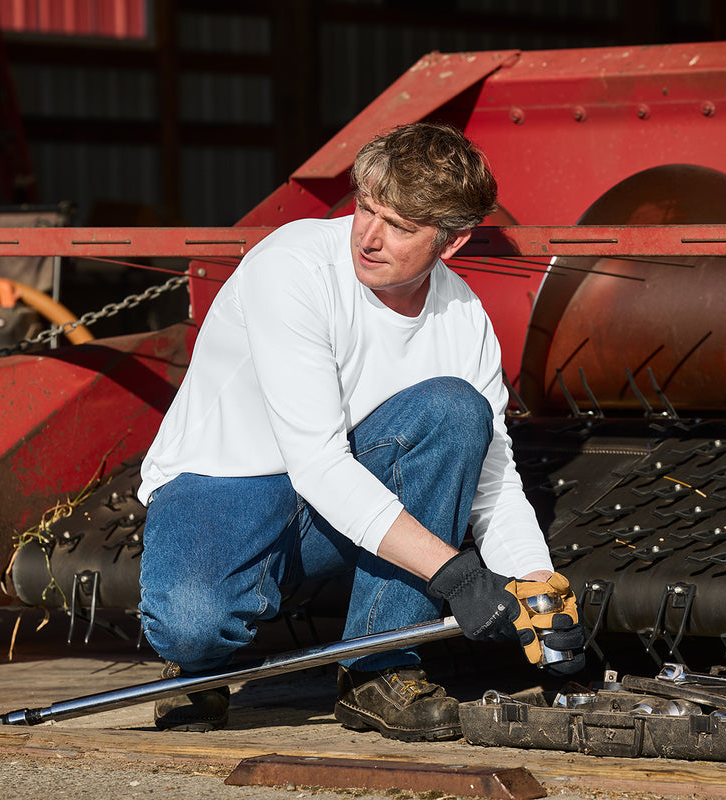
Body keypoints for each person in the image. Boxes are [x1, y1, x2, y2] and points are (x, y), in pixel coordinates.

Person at [137, 122, 585, 742]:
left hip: (342, 496)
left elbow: (492, 481)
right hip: (230, 481)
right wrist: (456, 575)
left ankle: (378, 667)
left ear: (451, 242)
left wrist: (539, 592)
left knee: (458, 412)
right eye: (365, 209)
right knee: (193, 623)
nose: (369, 238)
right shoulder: (292, 266)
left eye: (399, 226)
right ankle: (199, 665)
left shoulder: (461, 318)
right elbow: (317, 463)